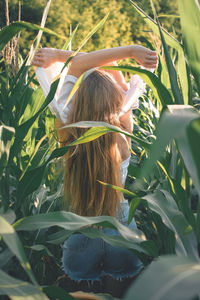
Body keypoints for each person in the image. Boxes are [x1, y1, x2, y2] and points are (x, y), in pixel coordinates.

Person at [32, 45, 158, 296]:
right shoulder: (123, 130)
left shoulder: (67, 127)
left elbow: (81, 65)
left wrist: (58, 56)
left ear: (77, 100)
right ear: (116, 100)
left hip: (81, 231)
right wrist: (132, 51)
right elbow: (115, 77)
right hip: (121, 232)